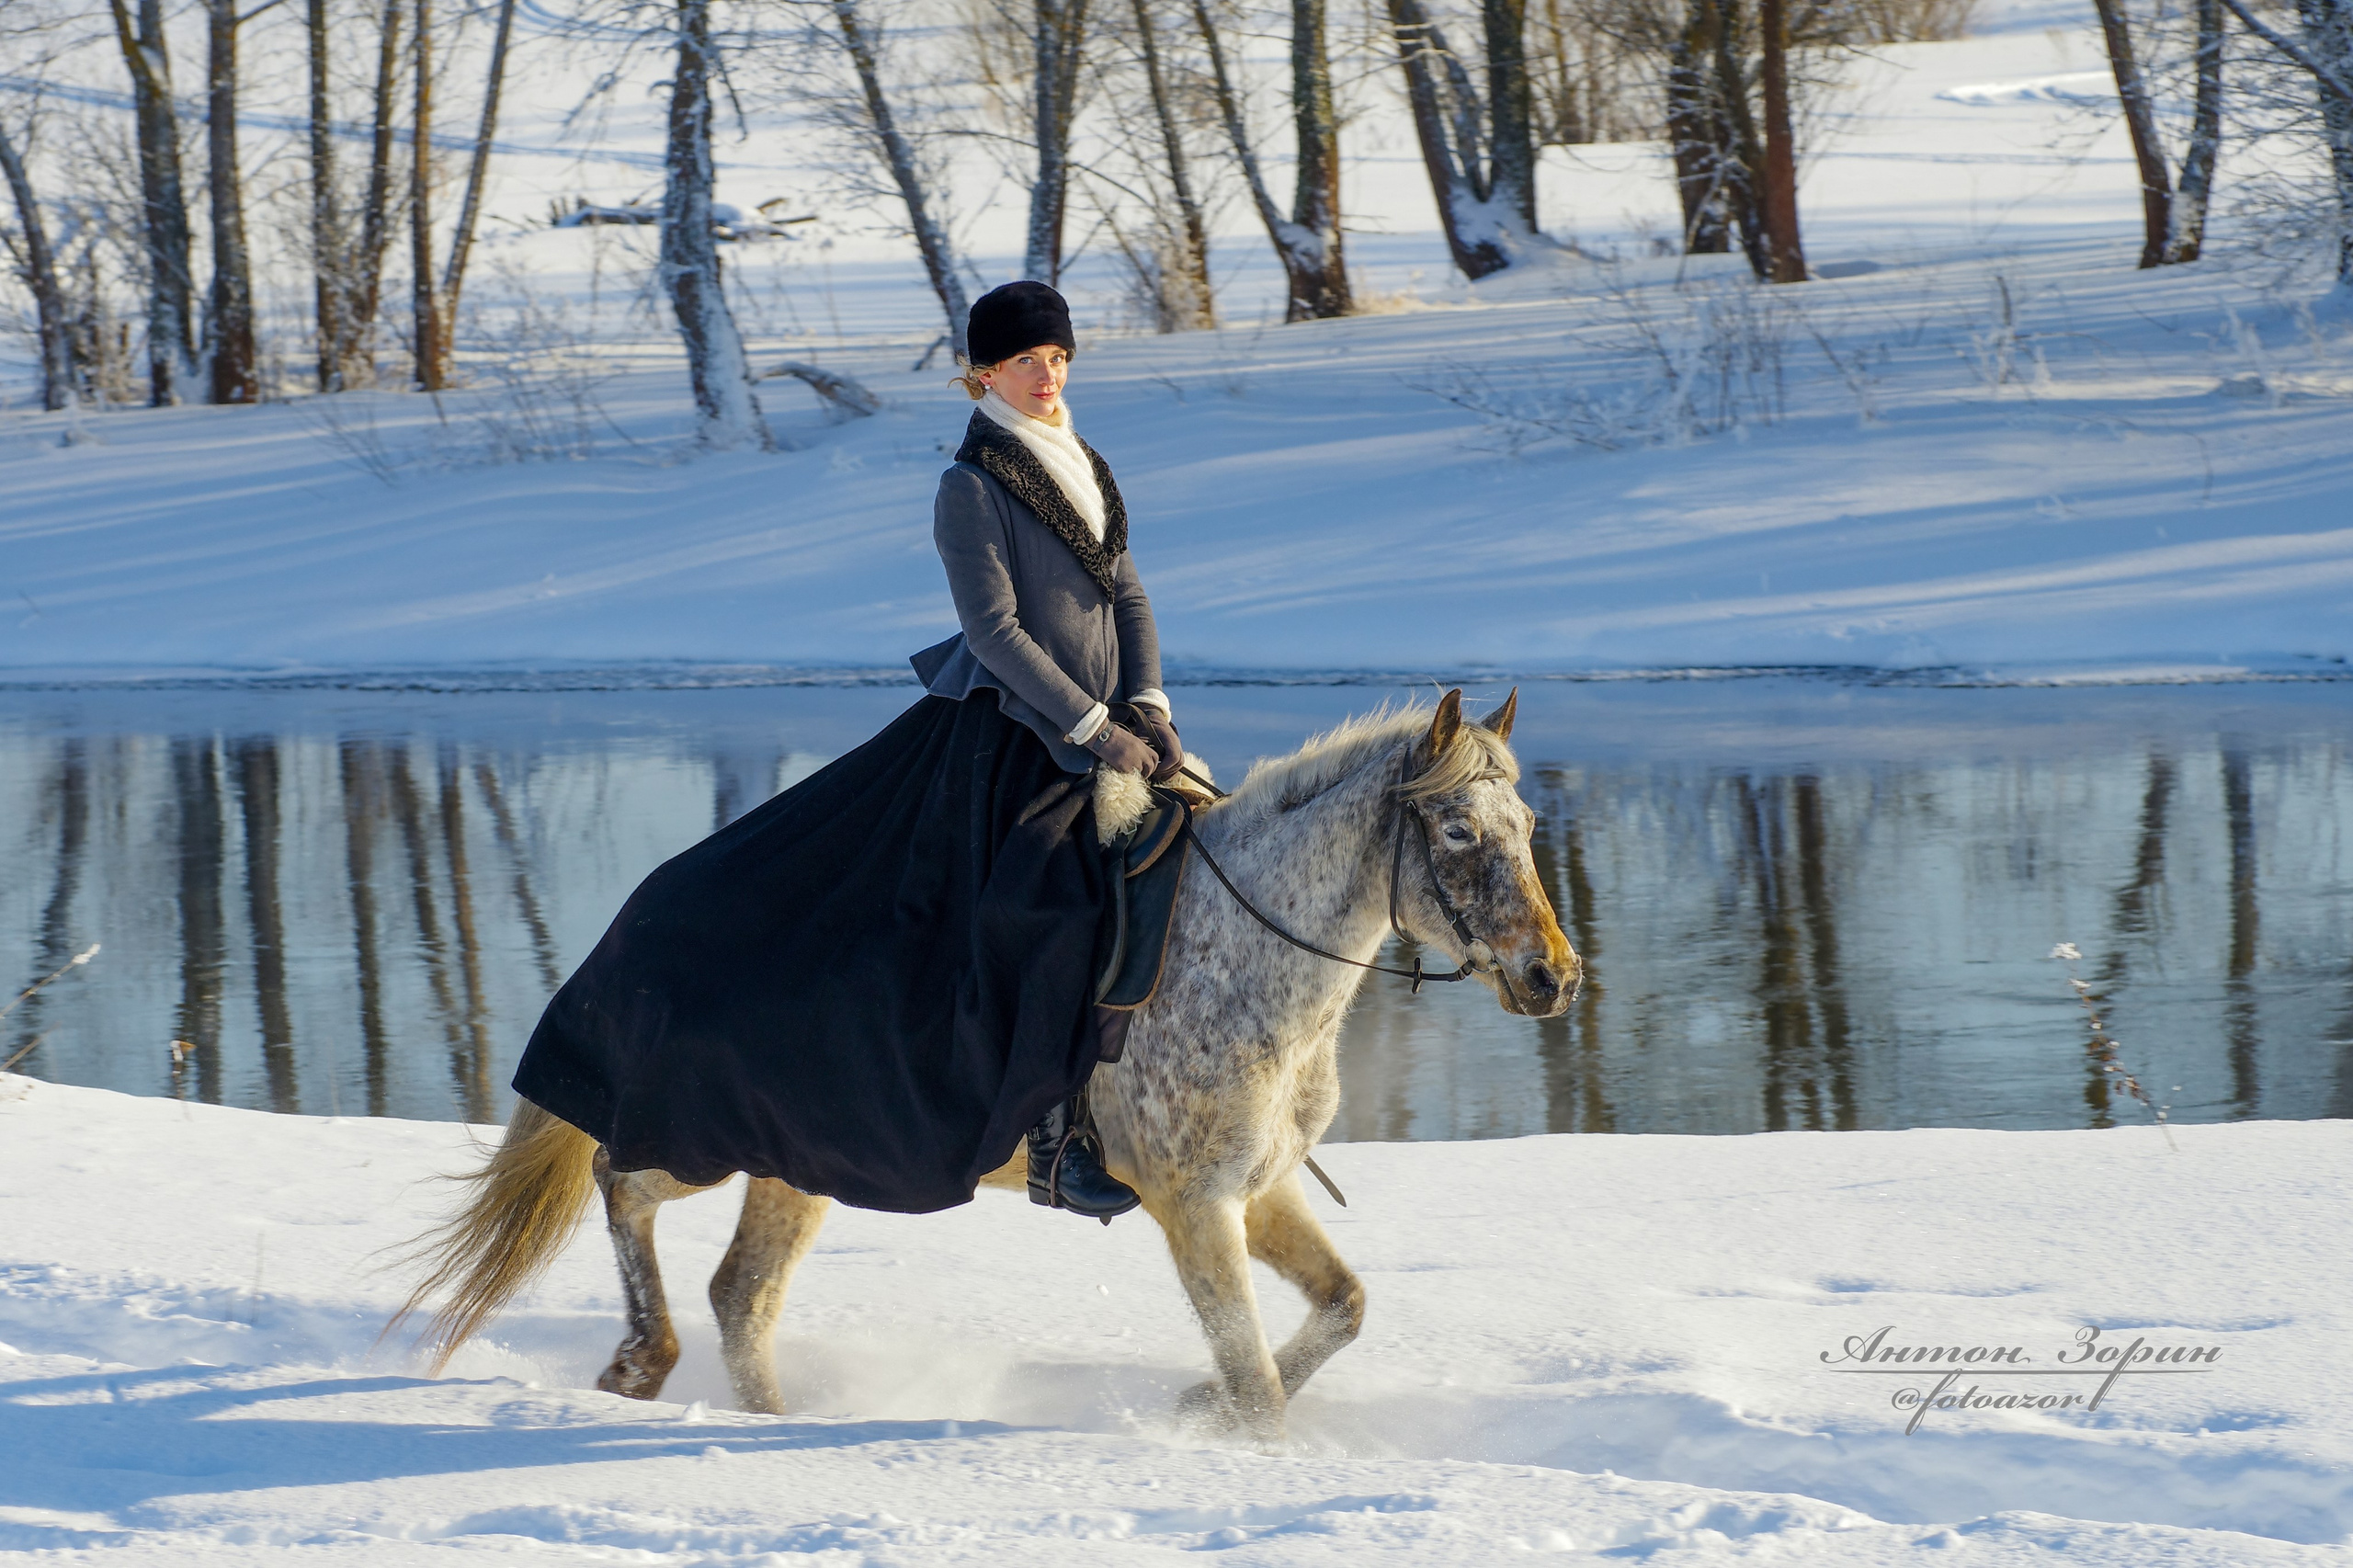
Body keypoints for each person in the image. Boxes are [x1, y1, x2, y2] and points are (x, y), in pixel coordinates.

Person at [510, 280, 1178, 1224]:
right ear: (984, 373)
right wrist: (1094, 727)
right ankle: (1054, 1140)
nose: (1047, 374)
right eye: (1028, 361)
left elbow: (1131, 598)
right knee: (1043, 913)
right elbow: (992, 633)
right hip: (1009, 747)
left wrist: (1146, 703)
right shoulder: (971, 485)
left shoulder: (1085, 463)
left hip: (1113, 736)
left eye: (1059, 359)